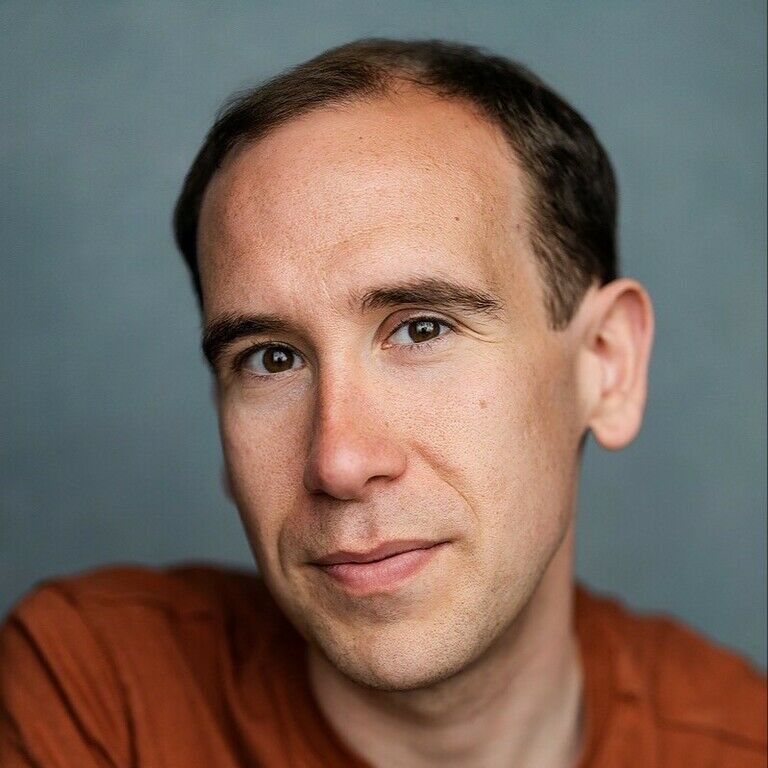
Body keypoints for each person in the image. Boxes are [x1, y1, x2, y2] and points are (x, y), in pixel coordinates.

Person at [1, 38, 765, 768]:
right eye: (271, 359)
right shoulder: (98, 698)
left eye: (422, 329)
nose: (338, 461)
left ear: (607, 364)